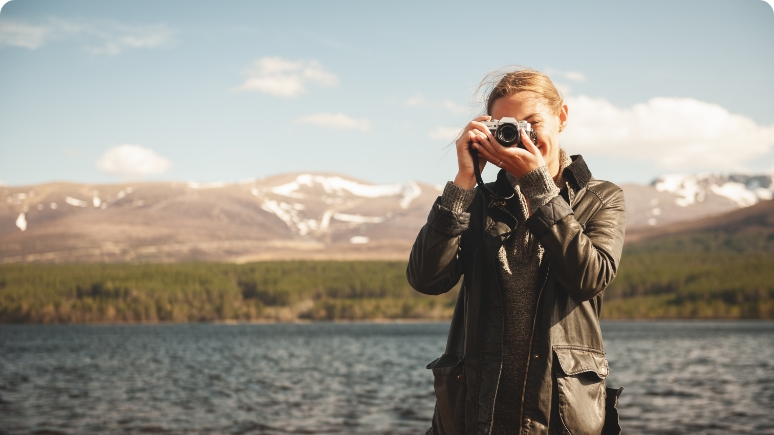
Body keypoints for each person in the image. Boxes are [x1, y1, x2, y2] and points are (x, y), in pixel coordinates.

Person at [407, 68, 625, 435]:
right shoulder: (479, 202)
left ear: (563, 118)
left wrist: (539, 187)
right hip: (474, 411)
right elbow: (427, 278)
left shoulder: (601, 198)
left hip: (559, 415)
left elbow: (589, 277)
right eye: (509, 126)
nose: (522, 135)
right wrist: (463, 183)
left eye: (533, 122)